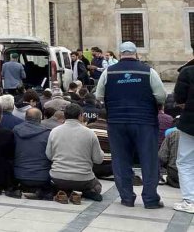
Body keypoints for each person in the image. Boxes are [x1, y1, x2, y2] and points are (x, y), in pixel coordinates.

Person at [94, 41, 166, 209]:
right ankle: (150, 200)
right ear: (136, 54)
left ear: (120, 54)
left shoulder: (108, 72)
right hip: (144, 121)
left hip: (117, 121)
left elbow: (99, 96)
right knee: (149, 160)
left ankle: (127, 198)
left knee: (120, 160)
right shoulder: (149, 71)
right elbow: (161, 96)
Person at [46, 104, 104, 203]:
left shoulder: (54, 132)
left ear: (65, 115)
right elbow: (98, 160)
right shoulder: (90, 133)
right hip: (83, 179)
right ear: (80, 116)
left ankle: (65, 192)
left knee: (60, 184)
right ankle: (82, 193)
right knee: (97, 187)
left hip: (58, 178)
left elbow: (49, 155)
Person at [12, 108, 53, 199]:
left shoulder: (15, 130)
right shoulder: (47, 133)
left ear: (25, 117)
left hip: (19, 175)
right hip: (42, 176)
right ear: (40, 118)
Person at [172, 54, 194, 212]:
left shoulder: (188, 71)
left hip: (191, 123)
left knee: (185, 161)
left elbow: (179, 98)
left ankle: (190, 200)